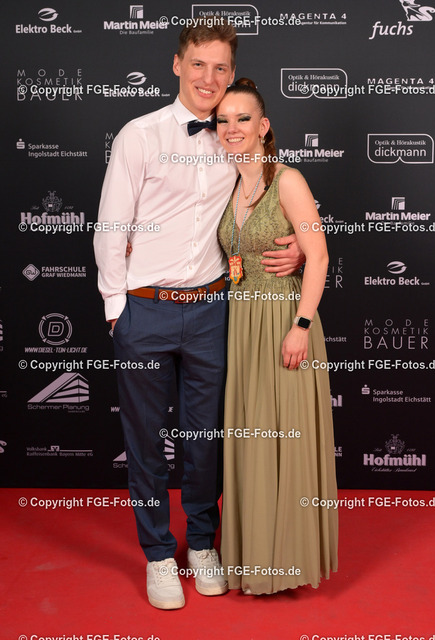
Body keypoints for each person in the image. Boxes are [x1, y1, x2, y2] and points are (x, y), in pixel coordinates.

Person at [93, 22, 303, 610]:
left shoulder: (236, 137)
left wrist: (297, 247)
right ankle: (159, 555)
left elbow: (276, 196)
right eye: (198, 64)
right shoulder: (139, 135)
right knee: (145, 443)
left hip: (212, 310)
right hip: (144, 310)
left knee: (207, 439)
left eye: (220, 67)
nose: (209, 78)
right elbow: (110, 226)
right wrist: (116, 311)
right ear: (177, 65)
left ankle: (203, 545)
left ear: (231, 74)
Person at [216, 78, 338, 594]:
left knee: (284, 433)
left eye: (243, 118)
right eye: (223, 120)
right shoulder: (226, 183)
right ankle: (252, 557)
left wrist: (301, 326)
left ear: (263, 126)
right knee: (253, 438)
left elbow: (320, 255)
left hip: (284, 321)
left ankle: (286, 559)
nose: (232, 128)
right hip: (240, 325)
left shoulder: (287, 180)